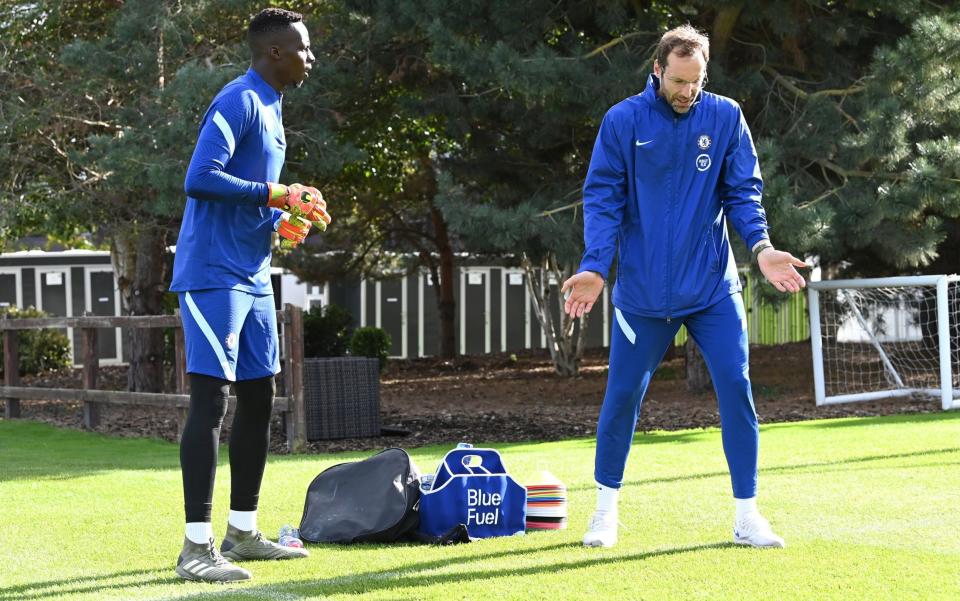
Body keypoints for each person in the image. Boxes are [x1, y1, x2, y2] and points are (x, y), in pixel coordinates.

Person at [561, 25, 807, 550]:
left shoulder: (724, 116)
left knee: (737, 389)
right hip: (643, 294)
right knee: (623, 397)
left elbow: (743, 192)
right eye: (678, 80)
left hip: (712, 288)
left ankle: (747, 516)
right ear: (657, 70)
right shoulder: (623, 121)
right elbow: (603, 198)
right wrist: (595, 266)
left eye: (696, 81)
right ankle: (604, 513)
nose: (687, 91)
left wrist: (761, 250)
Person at [169, 8, 331, 582]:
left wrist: (280, 217)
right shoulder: (238, 99)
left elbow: (255, 195)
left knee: (260, 397)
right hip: (212, 275)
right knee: (211, 401)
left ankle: (242, 533)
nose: (311, 57)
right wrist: (274, 193)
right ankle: (196, 547)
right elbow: (199, 177)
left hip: (253, 273)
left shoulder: (274, 107)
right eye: (304, 48)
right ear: (276, 53)